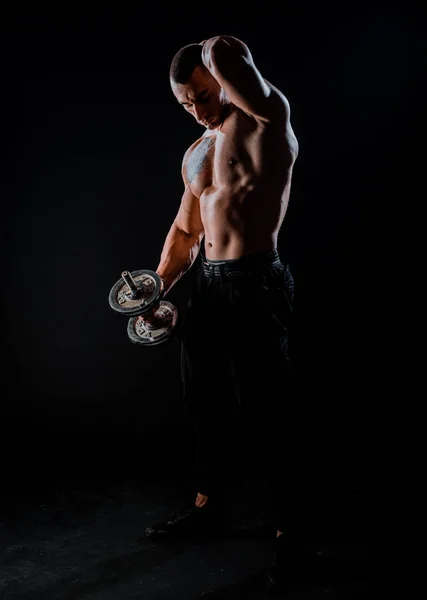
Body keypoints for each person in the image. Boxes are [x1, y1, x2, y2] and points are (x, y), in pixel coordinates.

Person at [144, 36, 306, 591]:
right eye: (185, 102)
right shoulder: (197, 149)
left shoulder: (266, 119)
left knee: (270, 414)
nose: (198, 108)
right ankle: (208, 506)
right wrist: (156, 287)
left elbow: (233, 57)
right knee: (203, 402)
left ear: (220, 77)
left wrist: (213, 46)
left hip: (256, 281)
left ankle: (291, 531)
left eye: (202, 95)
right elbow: (188, 229)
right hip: (209, 290)